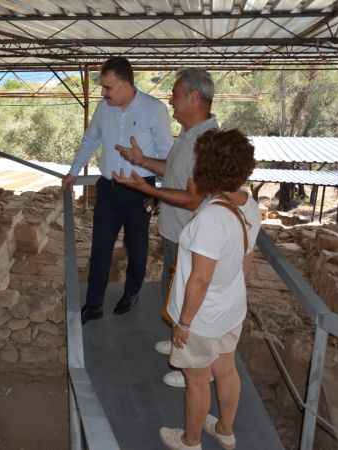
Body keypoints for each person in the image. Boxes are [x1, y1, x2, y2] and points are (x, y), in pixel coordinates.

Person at [114, 68, 218, 387]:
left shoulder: (206, 142)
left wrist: (149, 191)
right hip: (176, 233)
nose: (170, 100)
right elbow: (172, 172)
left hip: (191, 237)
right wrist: (143, 160)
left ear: (194, 98)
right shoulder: (188, 135)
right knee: (173, 292)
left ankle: (190, 369)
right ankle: (178, 343)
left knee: (189, 299)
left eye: (175, 94)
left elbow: (192, 198)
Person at [156, 128, 258, 450]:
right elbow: (245, 262)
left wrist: (184, 323)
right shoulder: (247, 203)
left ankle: (191, 440)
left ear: (208, 167)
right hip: (231, 309)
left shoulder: (211, 219)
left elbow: (199, 280)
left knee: (197, 381)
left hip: (202, 319)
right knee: (226, 370)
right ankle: (225, 430)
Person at [62, 57, 173, 325]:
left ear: (125, 85)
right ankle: (93, 304)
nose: (104, 93)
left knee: (137, 247)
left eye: (108, 87)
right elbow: (91, 139)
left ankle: (131, 294)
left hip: (140, 190)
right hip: (109, 189)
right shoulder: (103, 109)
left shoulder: (154, 109)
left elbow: (167, 154)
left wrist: (160, 190)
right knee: (100, 247)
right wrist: (74, 171)